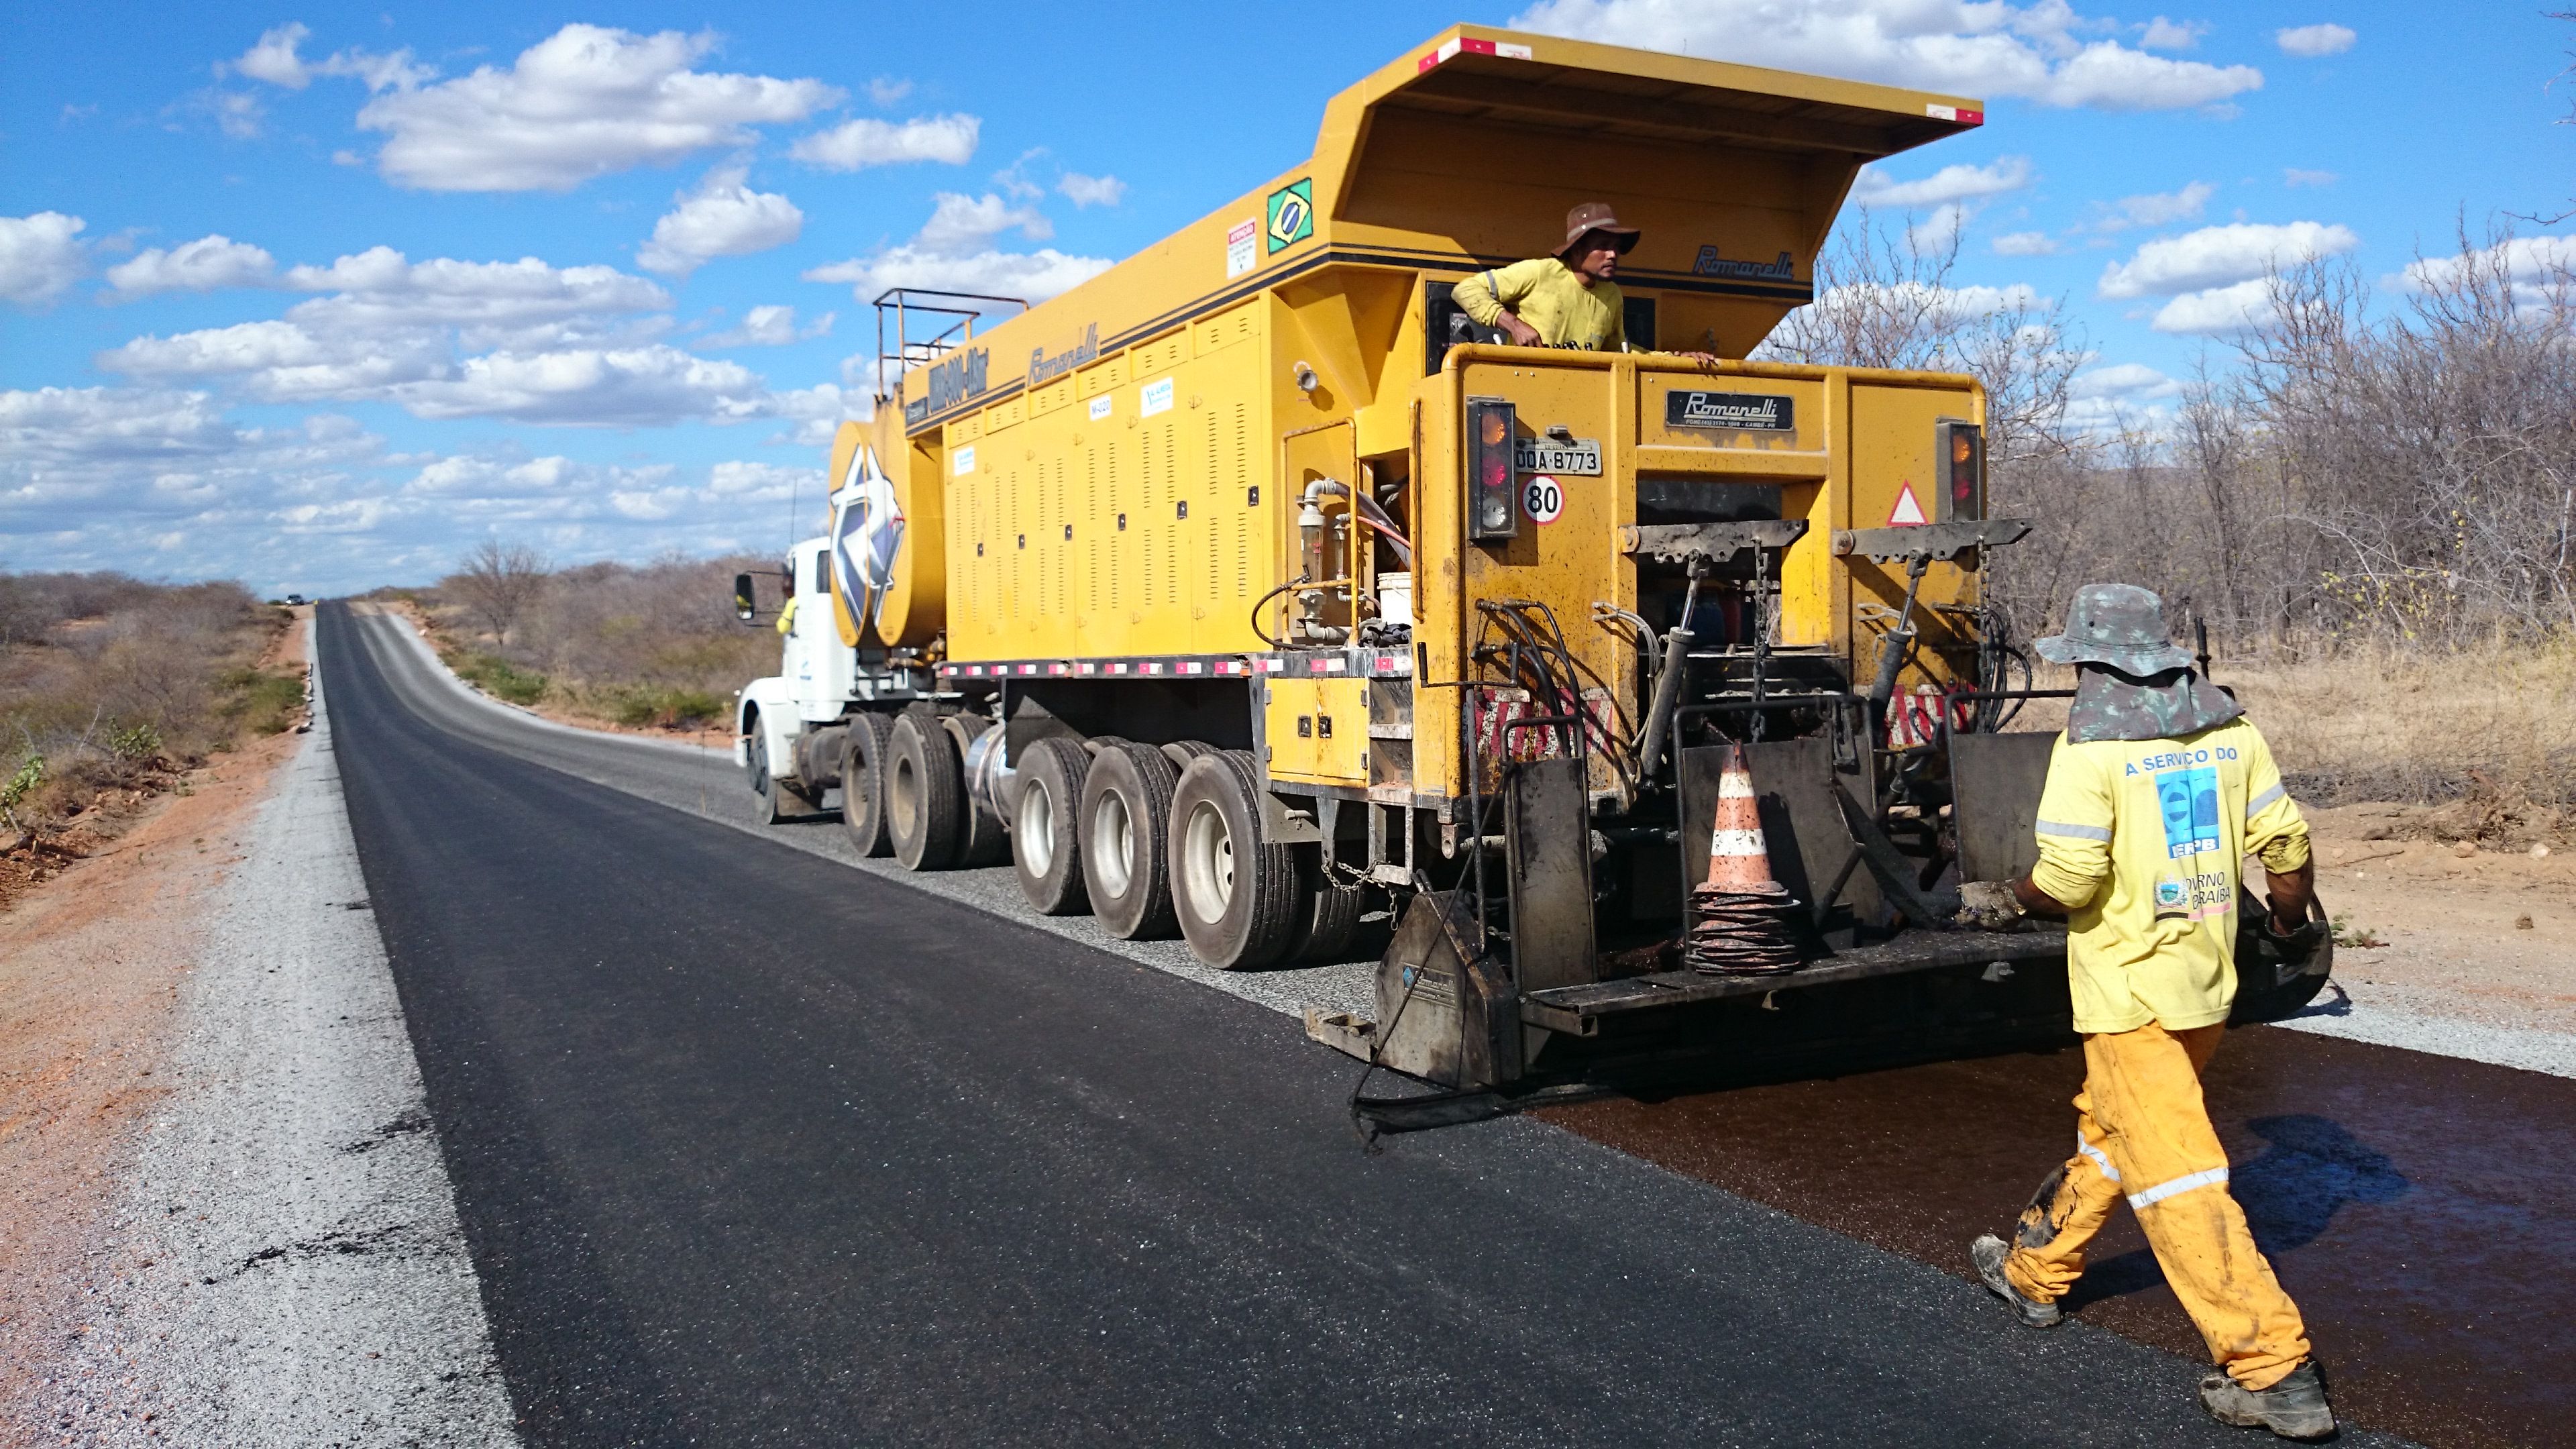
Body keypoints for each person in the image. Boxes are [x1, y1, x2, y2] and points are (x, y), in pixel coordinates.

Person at [1972, 583, 2335, 1442]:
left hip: (2127, 994)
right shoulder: (2233, 733)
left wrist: (2007, 899)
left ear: (2093, 664)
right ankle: (2036, 1270)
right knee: (2115, 1129)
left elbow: (2067, 881)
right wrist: (2286, 925)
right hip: (2205, 987)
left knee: (2178, 1177)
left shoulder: (2089, 752)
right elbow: (2287, 846)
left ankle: (2273, 1369)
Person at [1453, 202, 1715, 361]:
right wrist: (1515, 325)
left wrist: (1676, 360)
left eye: (1615, 247)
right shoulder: (1539, 272)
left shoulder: (1612, 295)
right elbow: (1465, 289)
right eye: (1602, 246)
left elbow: (1618, 352)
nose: (1613, 254)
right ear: (1576, 249)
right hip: (1526, 392)